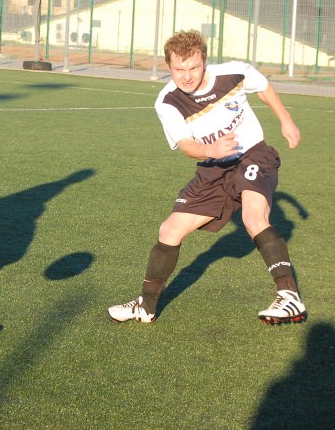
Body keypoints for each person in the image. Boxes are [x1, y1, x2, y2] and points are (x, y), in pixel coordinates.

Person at [108, 30, 307, 325]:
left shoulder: (233, 73)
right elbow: (186, 145)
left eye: (193, 68)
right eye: (178, 69)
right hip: (212, 169)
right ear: (169, 66)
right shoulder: (168, 101)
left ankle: (290, 298)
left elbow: (263, 86)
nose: (186, 76)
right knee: (169, 230)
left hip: (253, 156)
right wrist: (210, 150)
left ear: (204, 62)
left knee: (254, 218)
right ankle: (146, 306)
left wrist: (285, 120)